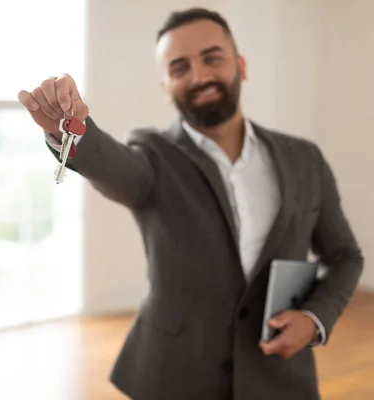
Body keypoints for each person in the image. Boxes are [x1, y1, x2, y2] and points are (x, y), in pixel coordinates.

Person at [18, 7, 363, 400]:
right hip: (174, 375)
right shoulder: (152, 153)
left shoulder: (304, 158)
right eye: (180, 67)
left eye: (212, 58)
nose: (199, 77)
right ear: (165, 84)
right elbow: (114, 167)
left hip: (279, 374)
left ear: (241, 65)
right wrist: (74, 129)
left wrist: (315, 317)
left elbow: (345, 256)